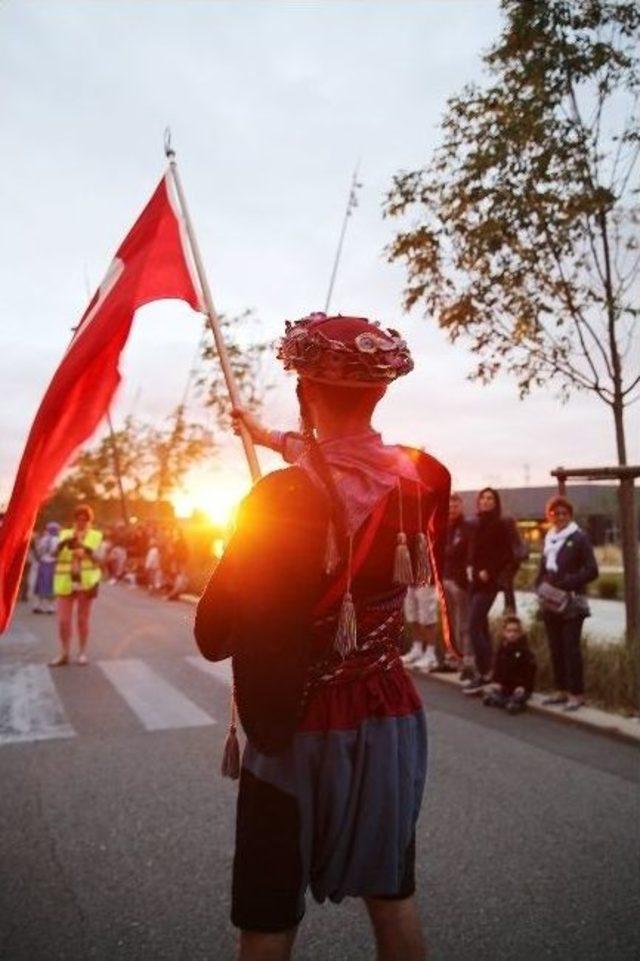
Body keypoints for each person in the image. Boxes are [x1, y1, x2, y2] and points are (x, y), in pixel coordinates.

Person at [194, 313, 456, 961]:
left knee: (268, 918)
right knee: (394, 902)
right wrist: (270, 436)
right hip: (387, 716)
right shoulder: (423, 481)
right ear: (382, 392)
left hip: (297, 723)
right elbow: (345, 469)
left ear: (305, 391)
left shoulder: (276, 498)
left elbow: (213, 633)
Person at [536, 495, 598, 712]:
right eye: (555, 513)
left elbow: (592, 570)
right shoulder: (549, 538)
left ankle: (576, 693)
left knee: (571, 648)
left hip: (572, 601)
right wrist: (539, 584)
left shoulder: (579, 538)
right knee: (555, 647)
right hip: (551, 600)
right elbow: (544, 567)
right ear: (550, 515)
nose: (559, 517)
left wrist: (568, 582)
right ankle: (560, 689)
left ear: (570, 515)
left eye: (564, 513)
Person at [464, 487, 513, 695]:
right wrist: (469, 566)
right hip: (474, 582)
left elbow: (506, 554)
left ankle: (486, 671)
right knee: (481, 627)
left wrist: (489, 572)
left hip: (489, 583)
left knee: (473, 626)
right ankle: (487, 672)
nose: (485, 501)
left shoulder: (501, 524)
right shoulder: (476, 524)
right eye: (483, 498)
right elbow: (473, 551)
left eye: (490, 498)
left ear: (496, 502)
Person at [50, 504, 103, 667]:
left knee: (82, 620)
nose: (81, 522)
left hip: (86, 582)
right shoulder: (64, 534)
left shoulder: (96, 536)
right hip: (66, 581)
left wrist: (86, 550)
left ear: (90, 520)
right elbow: (53, 554)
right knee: (63, 621)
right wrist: (62, 544)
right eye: (78, 519)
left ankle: (82, 653)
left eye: (85, 519)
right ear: (74, 520)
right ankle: (64, 653)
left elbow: (101, 559)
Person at [442, 492, 472, 677]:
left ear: (461, 507)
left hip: (460, 582)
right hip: (445, 579)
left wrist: (446, 550)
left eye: (455, 506)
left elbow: (458, 550)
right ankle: (451, 656)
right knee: (449, 623)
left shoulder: (466, 527)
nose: (452, 509)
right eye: (450, 506)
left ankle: (465, 658)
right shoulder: (444, 526)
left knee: (464, 623)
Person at [480, 615, 536, 713]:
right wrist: (497, 682)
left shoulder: (525, 651)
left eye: (515, 631)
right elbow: (497, 668)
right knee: (490, 696)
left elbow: (530, 672)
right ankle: (503, 700)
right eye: (509, 631)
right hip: (505, 686)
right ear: (504, 632)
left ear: (520, 633)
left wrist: (523, 686)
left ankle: (512, 703)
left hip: (520, 687)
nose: (512, 634)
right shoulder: (502, 649)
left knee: (515, 701)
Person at [401, 582, 440, 672]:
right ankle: (417, 649)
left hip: (427, 579)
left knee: (428, 618)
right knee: (412, 615)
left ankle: (431, 654)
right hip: (411, 580)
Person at [33, 522, 60, 613]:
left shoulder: (44, 539)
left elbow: (39, 550)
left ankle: (39, 605)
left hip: (43, 562)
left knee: (41, 582)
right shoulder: (58, 540)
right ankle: (50, 607)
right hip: (53, 563)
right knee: (51, 584)